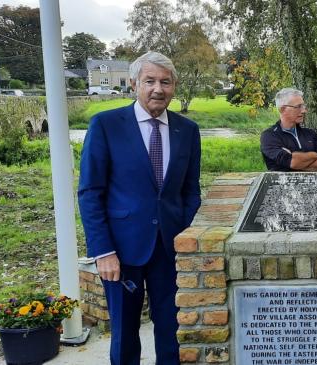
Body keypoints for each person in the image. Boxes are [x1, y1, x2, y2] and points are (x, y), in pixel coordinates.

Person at [78, 51, 202, 365]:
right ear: (135, 84)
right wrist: (102, 250)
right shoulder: (106, 125)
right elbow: (91, 192)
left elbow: (190, 192)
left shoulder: (187, 131)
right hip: (121, 252)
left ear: (174, 86)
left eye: (165, 82)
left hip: (170, 249)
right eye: (150, 81)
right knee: (124, 334)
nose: (158, 89)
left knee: (173, 329)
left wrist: (185, 239)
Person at [260, 88, 317, 171]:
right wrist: (315, 155)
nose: (304, 111)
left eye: (303, 106)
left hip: (312, 183)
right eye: (298, 107)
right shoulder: (269, 136)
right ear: (282, 109)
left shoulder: (310, 134)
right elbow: (292, 162)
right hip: (282, 183)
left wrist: (296, 163)